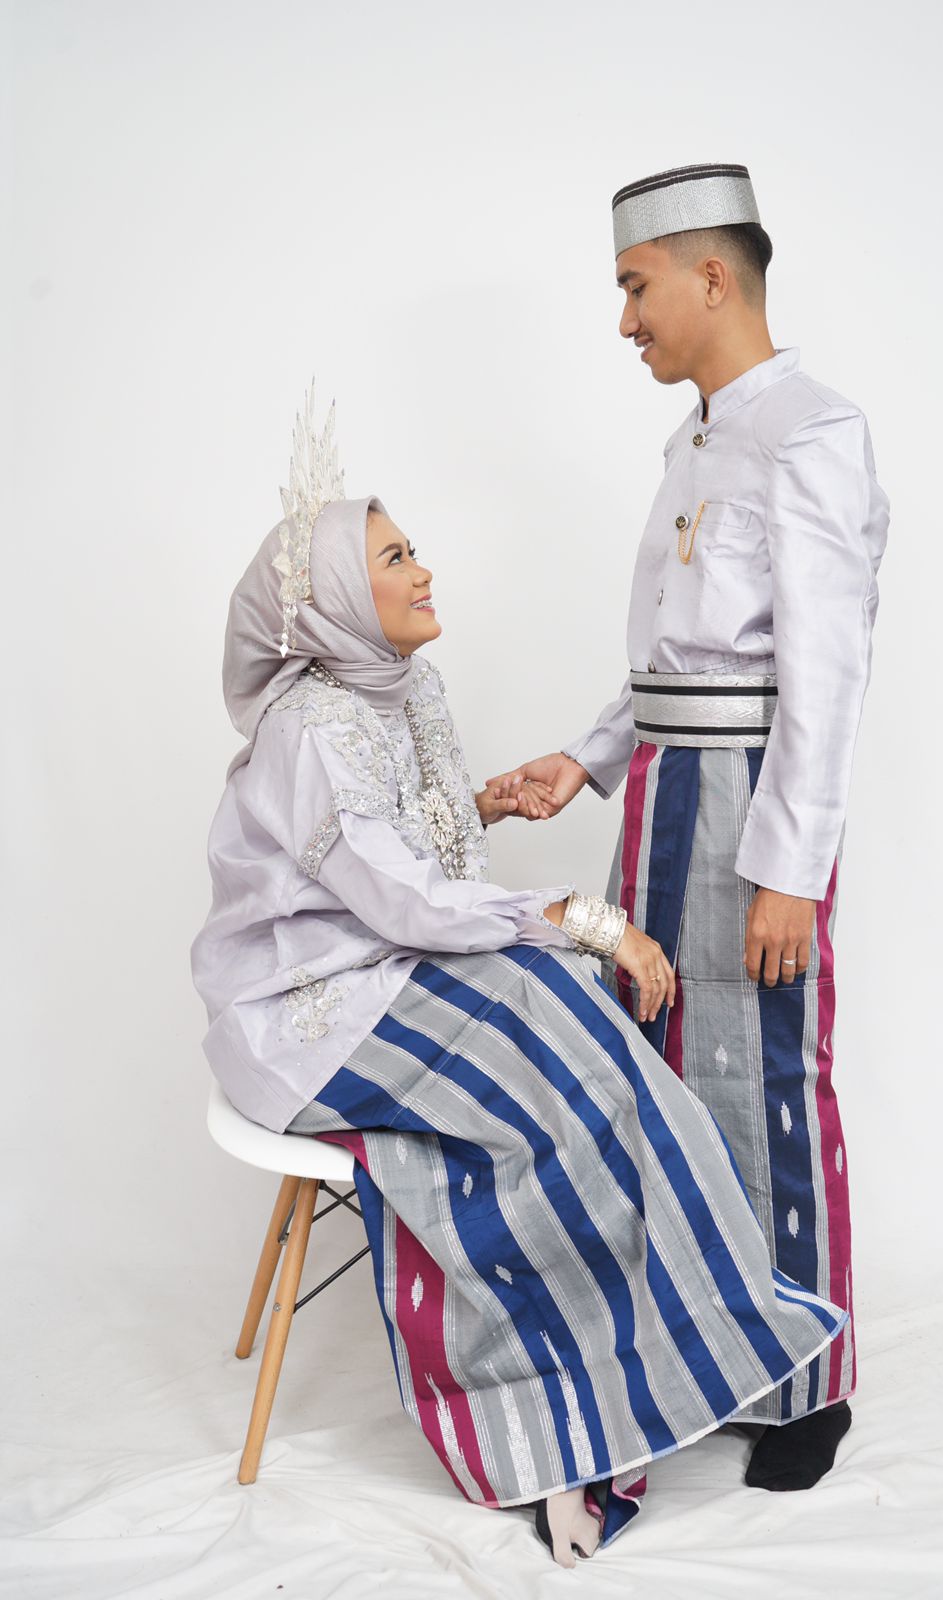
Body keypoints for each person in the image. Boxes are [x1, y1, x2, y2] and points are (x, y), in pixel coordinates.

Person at [190, 392, 849, 1566]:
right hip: (309, 1015)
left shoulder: (403, 688)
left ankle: (695, 1339)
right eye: (394, 558)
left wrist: (483, 805)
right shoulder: (310, 728)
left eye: (411, 547)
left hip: (388, 966)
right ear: (336, 600)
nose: (422, 568)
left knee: (581, 1036)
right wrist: (588, 921)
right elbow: (398, 897)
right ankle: (562, 1432)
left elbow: (406, 855)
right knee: (558, 1071)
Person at [487, 162, 890, 1493]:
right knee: (663, 1067)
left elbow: (823, 677)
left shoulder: (811, 434)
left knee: (767, 1073)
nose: (624, 320)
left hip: (746, 806)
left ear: (711, 276)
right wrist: (586, 759)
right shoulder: (694, 442)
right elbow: (675, 657)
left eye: (635, 286)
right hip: (662, 794)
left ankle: (810, 1382)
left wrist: (790, 871)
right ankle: (712, 1348)